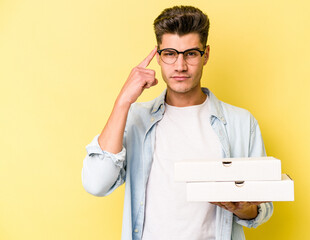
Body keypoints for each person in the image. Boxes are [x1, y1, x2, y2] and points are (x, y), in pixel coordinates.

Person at [82, 5, 273, 240]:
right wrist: (123, 101)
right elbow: (96, 183)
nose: (180, 66)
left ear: (206, 55)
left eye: (191, 53)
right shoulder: (135, 119)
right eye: (170, 53)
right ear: (159, 57)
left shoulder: (242, 123)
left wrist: (242, 208)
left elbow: (263, 206)